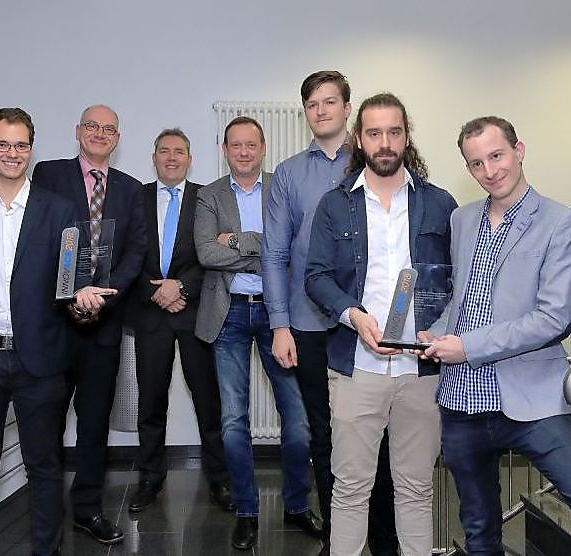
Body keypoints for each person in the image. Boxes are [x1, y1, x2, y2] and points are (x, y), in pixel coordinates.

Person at [421, 116, 571, 555]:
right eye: (477, 163)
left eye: (496, 156)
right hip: (461, 402)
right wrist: (435, 334)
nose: (490, 170)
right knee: (480, 534)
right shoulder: (462, 220)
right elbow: (463, 300)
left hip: (533, 403)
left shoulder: (562, 223)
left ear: (519, 150)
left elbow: (554, 318)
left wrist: (467, 347)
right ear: (468, 169)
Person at [0, 107, 114, 556]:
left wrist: (83, 298)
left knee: (45, 468)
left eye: (20, 145)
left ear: (31, 149)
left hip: (42, 360)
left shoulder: (61, 211)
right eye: (2, 144)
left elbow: (70, 282)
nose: (12, 153)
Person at [305, 92, 456, 555]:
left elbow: (458, 282)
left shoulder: (440, 204)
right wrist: (354, 316)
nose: (384, 142)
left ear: (407, 137)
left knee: (416, 489)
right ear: (359, 138)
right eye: (374, 133)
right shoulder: (334, 205)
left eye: (394, 132)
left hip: (421, 370)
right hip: (357, 367)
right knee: (350, 489)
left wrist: (443, 327)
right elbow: (316, 276)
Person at [263, 71, 399, 556]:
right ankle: (338, 539)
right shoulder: (288, 175)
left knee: (376, 438)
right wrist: (280, 325)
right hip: (308, 325)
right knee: (324, 436)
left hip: (366, 327)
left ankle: (384, 540)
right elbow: (274, 254)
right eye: (311, 104)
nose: (320, 110)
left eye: (329, 102)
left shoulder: (375, 163)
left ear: (347, 109)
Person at [195, 116, 321, 551]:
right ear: (225, 150)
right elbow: (206, 253)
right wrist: (264, 250)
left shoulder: (281, 187)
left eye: (251, 144)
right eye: (236, 145)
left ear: (263, 148)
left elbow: (293, 250)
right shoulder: (209, 195)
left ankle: (296, 506)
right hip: (227, 313)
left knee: (298, 419)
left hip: (277, 314)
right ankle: (247, 511)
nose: (244, 152)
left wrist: (236, 241)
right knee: (233, 420)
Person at [31, 104, 146, 545]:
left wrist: (104, 295)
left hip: (104, 323)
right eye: (92, 126)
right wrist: (72, 296)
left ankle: (87, 509)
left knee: (95, 423)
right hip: (56, 324)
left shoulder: (130, 188)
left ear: (117, 138)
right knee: (48, 420)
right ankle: (45, 511)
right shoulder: (49, 174)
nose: (100, 133)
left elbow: (135, 251)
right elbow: (39, 239)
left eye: (109, 129)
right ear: (78, 131)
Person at [124, 128, 234, 513]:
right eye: (164, 151)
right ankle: (150, 478)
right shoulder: (135, 198)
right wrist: (155, 291)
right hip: (150, 313)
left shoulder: (206, 198)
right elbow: (125, 255)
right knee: (151, 401)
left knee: (208, 399)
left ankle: (219, 478)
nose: (171, 158)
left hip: (195, 313)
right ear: (154, 157)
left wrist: (181, 288)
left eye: (179, 152)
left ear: (190, 159)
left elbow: (213, 255)